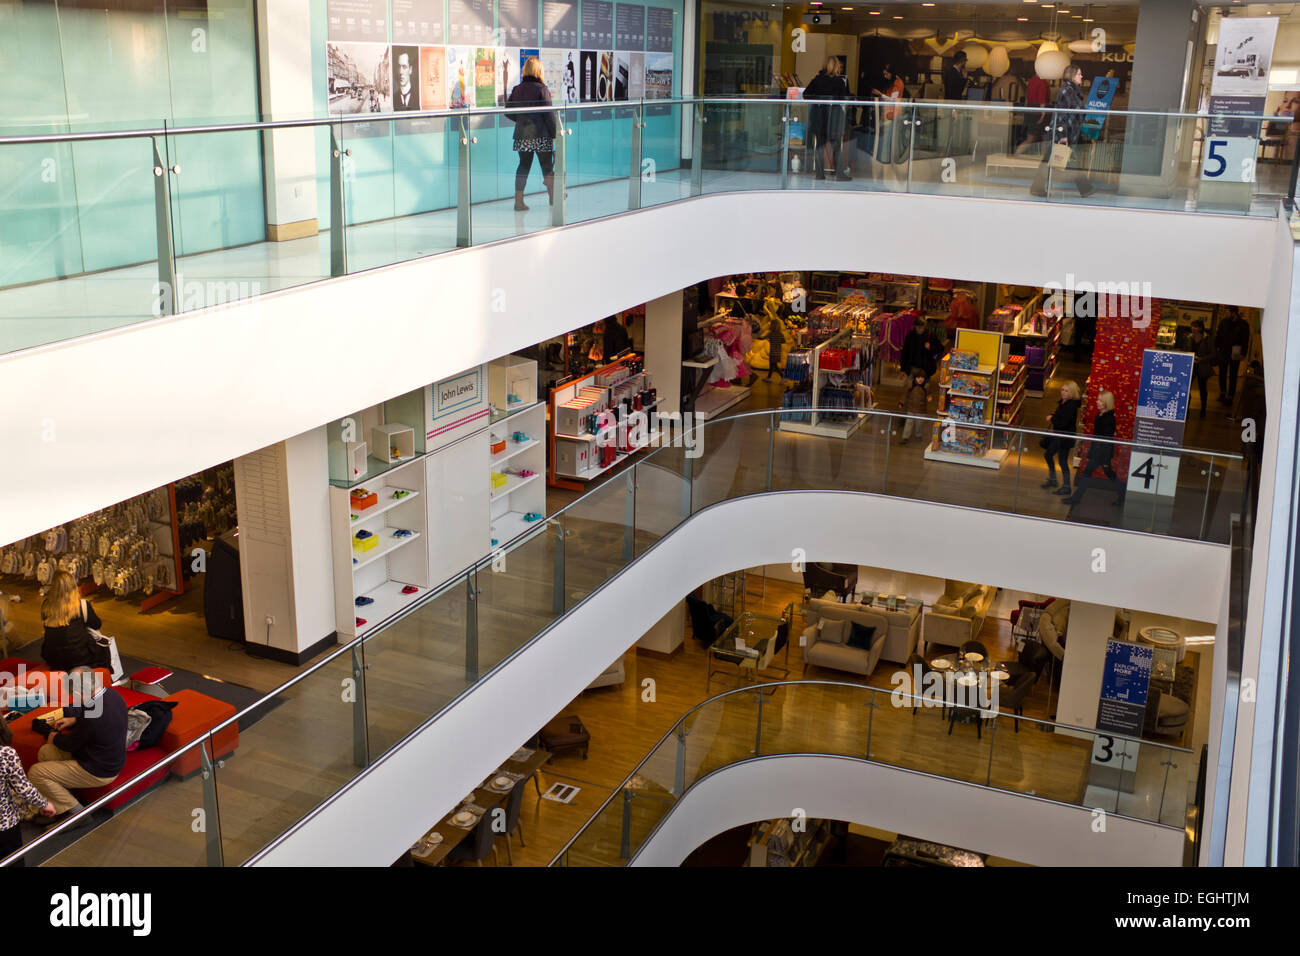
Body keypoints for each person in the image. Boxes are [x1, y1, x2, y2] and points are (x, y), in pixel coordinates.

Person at [29, 668, 127, 825]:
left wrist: (52, 736)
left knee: (36, 773)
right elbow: (90, 713)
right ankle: (61, 804)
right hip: (107, 758)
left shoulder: (92, 719)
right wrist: (74, 719)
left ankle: (77, 816)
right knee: (46, 752)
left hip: (97, 769)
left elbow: (70, 744)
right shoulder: (112, 694)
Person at [1030, 64, 1095, 198]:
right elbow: (1063, 115)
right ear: (1071, 75)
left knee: (1065, 160)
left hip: (1068, 133)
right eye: (1079, 74)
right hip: (1062, 134)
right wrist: (1063, 135)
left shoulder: (1072, 90)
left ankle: (1085, 188)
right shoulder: (1067, 91)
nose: (1081, 76)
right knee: (1053, 161)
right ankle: (1085, 188)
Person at [506, 57, 558, 211]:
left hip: (523, 135)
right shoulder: (542, 89)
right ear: (539, 71)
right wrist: (555, 134)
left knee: (523, 166)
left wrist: (522, 120)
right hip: (541, 134)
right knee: (547, 166)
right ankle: (554, 199)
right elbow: (549, 115)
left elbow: (508, 112)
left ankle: (518, 202)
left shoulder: (517, 89)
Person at [0, 720, 56, 863]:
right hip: (5, 824)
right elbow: (23, 788)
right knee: (13, 860)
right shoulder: (6, 754)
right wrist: (44, 804)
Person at [40, 571, 110, 673]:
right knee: (104, 648)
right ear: (73, 585)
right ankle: (108, 680)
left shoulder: (46, 606)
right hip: (80, 657)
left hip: (54, 658)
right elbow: (96, 624)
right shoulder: (81, 605)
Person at [1063, 391, 1123, 507]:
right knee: (1108, 474)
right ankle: (1123, 495)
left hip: (1102, 453)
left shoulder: (1108, 419)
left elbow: (1106, 439)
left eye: (1100, 400)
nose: (1097, 402)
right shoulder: (1101, 415)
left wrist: (1103, 456)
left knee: (1088, 473)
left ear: (1106, 403)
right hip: (1099, 452)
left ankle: (1076, 498)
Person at [804, 56, 851, 181]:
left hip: (819, 115)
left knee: (820, 145)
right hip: (834, 116)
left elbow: (806, 95)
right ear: (836, 66)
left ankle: (819, 174)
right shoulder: (840, 82)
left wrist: (818, 102)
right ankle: (839, 174)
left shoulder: (817, 80)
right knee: (836, 145)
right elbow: (844, 99)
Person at [1041, 380, 1082, 495]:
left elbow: (1063, 423)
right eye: (1062, 390)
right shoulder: (1064, 402)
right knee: (1049, 455)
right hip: (1059, 436)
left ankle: (1066, 486)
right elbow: (1061, 416)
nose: (1063, 393)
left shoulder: (1071, 406)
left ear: (1072, 392)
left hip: (1064, 438)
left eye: (1066, 391)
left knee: (1062, 461)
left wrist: (1052, 418)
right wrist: (1054, 415)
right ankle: (1054, 479)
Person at [1215, 306, 1251, 404]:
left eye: (1227, 313)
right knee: (1222, 372)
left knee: (1233, 374)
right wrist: (1217, 346)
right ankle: (1222, 393)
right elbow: (1218, 335)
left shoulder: (1243, 324)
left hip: (1236, 350)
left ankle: (1230, 396)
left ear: (1233, 313)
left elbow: (1245, 339)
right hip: (1223, 350)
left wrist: (1243, 353)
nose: (1226, 315)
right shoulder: (1224, 322)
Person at [1190, 319, 1216, 417]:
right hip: (1191, 366)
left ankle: (1203, 409)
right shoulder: (1189, 338)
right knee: (1187, 388)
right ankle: (1186, 408)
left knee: (1202, 388)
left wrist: (1201, 359)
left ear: (1201, 328)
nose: (1193, 328)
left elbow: (1213, 354)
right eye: (1192, 326)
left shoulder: (1207, 339)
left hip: (1202, 366)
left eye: (1196, 326)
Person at [898, 368, 931, 445]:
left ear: (925, 379)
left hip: (921, 409)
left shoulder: (926, 387)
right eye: (918, 378)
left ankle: (918, 434)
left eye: (922, 378)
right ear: (915, 378)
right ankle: (905, 437)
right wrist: (901, 402)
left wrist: (929, 397)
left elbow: (929, 394)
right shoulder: (911, 386)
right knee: (909, 423)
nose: (920, 380)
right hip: (911, 408)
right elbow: (905, 394)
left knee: (919, 423)